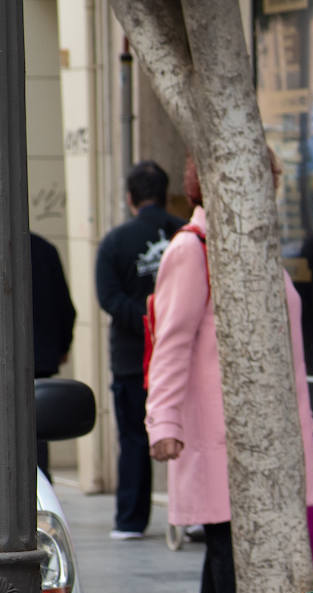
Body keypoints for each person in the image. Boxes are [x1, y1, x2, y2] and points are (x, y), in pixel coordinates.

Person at [146, 153, 313, 593]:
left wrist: (307, 424)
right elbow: (172, 341)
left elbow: (290, 354)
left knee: (227, 536)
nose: (268, 189)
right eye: (258, 180)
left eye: (267, 180)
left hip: (263, 427)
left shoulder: (253, 246)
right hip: (218, 427)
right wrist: (164, 420)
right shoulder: (192, 248)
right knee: (231, 537)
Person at [95, 161, 186, 540]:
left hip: (133, 359)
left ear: (130, 198)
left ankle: (131, 520)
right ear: (166, 194)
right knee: (187, 437)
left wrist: (145, 320)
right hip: (183, 360)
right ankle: (193, 516)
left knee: (134, 437)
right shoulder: (186, 235)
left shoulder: (116, 241)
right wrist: (167, 321)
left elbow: (109, 298)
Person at [31, 231, 77, 477]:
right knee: (37, 431)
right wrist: (61, 347)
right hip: (41, 359)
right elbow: (66, 308)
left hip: (37, 358)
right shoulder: (45, 249)